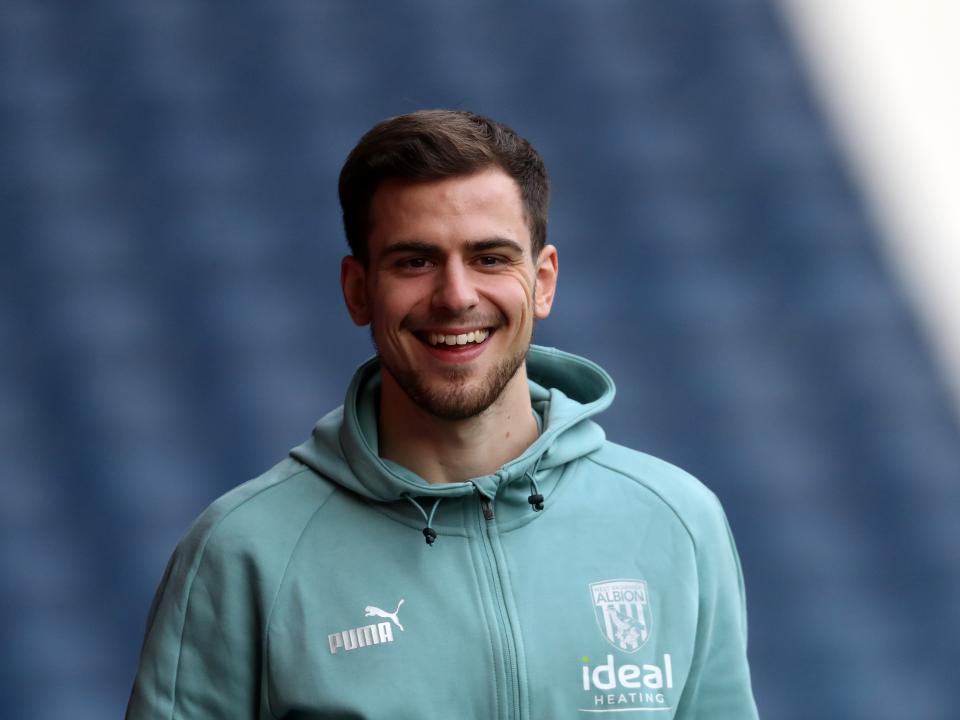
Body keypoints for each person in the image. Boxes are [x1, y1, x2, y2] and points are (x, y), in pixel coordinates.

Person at [126, 109, 758, 719]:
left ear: (543, 281)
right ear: (357, 290)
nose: (456, 296)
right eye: (415, 261)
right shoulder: (244, 554)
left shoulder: (677, 522)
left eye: (490, 258)